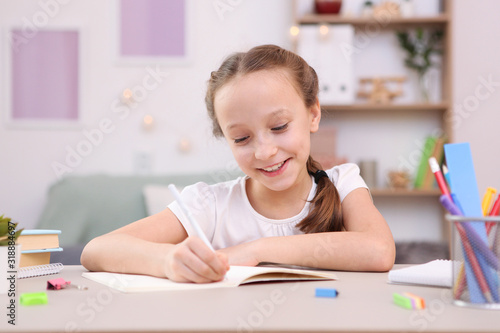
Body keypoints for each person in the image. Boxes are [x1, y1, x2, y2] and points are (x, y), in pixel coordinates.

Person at [81, 44, 395, 283]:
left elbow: (379, 251)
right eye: (242, 139)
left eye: (279, 127)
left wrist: (256, 252)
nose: (264, 152)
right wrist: (166, 260)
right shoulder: (209, 205)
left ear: (313, 114)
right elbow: (96, 250)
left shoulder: (344, 183)